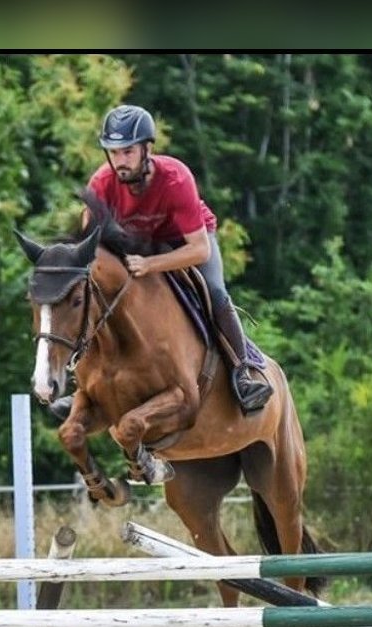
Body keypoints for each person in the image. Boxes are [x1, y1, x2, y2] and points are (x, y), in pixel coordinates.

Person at [50, 103, 272, 419]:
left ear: (147, 149)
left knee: (216, 291)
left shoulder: (175, 178)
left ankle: (243, 372)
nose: (120, 161)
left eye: (127, 152)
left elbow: (199, 251)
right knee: (93, 296)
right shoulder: (101, 182)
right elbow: (88, 245)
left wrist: (151, 265)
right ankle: (83, 385)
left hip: (186, 240)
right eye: (113, 153)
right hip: (137, 242)